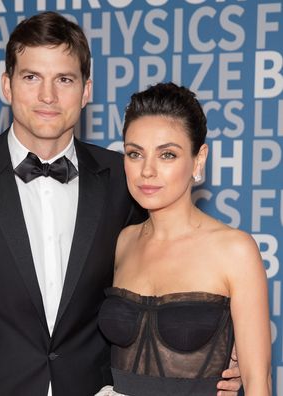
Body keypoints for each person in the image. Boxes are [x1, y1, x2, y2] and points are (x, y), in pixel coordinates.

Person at [0, 12, 242, 396]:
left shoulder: (124, 178)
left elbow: (179, 269)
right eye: (31, 77)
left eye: (64, 79)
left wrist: (233, 353)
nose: (48, 96)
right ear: (6, 85)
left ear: (86, 91)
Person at [96, 82, 272, 396]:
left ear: (199, 158)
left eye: (167, 155)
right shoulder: (124, 241)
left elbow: (258, 382)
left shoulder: (234, 250)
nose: (147, 171)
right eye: (135, 153)